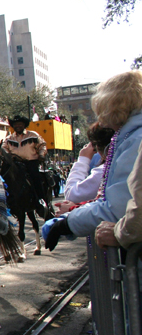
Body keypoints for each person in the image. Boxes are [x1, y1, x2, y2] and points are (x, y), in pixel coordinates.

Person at [45, 71, 142, 250]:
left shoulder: (134, 140)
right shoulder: (130, 137)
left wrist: (67, 223)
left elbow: (119, 207)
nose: (101, 119)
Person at [1, 115, 48, 213]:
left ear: (24, 125)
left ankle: (41, 201)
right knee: (4, 178)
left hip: (31, 162)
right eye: (15, 124)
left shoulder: (33, 135)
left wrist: (41, 154)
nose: (17, 126)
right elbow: (3, 149)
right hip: (15, 164)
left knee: (36, 178)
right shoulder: (9, 138)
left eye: (20, 124)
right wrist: (9, 157)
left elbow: (42, 145)